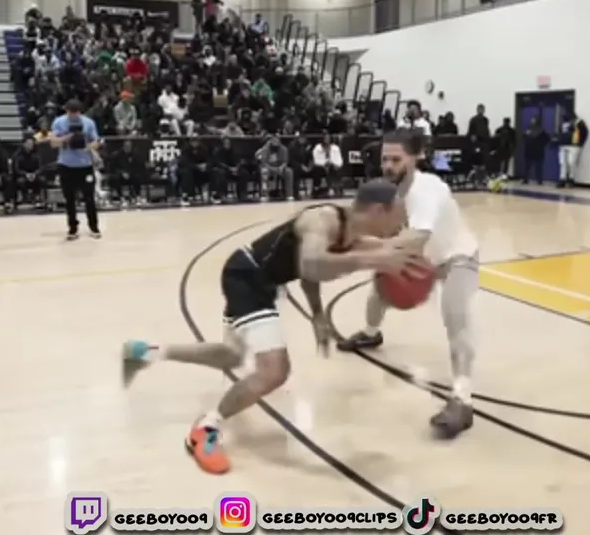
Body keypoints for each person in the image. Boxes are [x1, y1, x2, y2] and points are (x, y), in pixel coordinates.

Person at [119, 180, 422, 474]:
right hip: (248, 277)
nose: (401, 222)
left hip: (256, 279)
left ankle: (146, 352)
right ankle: (206, 428)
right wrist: (371, 260)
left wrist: (318, 315)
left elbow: (309, 272)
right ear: (379, 210)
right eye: (399, 214)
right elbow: (311, 264)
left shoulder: (353, 237)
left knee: (231, 356)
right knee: (274, 370)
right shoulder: (322, 219)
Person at [336, 129, 481, 439]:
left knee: (456, 317)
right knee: (379, 289)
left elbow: (417, 237)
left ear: (416, 157)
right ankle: (371, 333)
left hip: (456, 257)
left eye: (396, 160)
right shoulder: (385, 192)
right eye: (385, 159)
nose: (388, 166)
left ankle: (462, 400)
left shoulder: (427, 188)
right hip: (422, 258)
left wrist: (363, 252)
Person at [48, 99, 101, 240]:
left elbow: (96, 141)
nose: (74, 115)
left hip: (85, 166)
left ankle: (94, 226)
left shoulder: (89, 123)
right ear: (67, 111)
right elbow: (53, 143)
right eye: (71, 112)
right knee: (69, 199)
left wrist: (88, 147)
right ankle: (72, 227)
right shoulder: (59, 122)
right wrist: (67, 138)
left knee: (89, 198)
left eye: (76, 112)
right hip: (66, 166)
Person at [556, 110, 588, 188]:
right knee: (563, 163)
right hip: (563, 145)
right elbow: (560, 132)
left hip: (574, 145)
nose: (564, 115)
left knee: (572, 163)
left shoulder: (578, 122)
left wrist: (580, 143)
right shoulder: (562, 123)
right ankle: (562, 179)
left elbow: (585, 132)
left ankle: (571, 179)